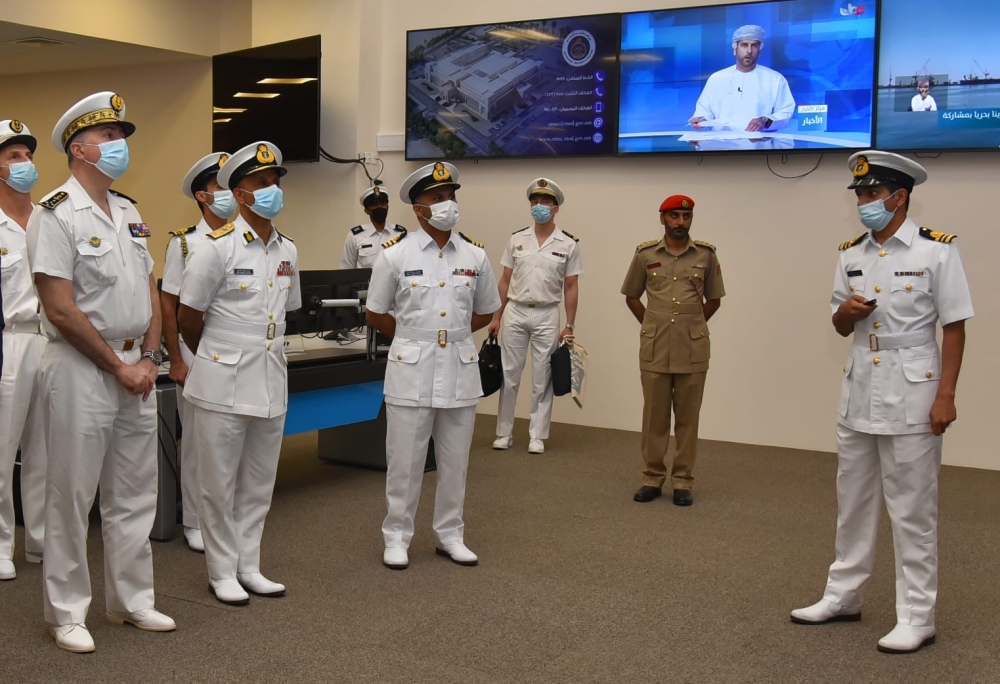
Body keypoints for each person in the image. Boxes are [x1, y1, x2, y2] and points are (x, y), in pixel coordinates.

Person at [791, 151, 973, 654]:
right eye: (860, 195)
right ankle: (843, 596)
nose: (864, 203)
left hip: (914, 390)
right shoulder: (851, 253)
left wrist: (946, 395)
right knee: (852, 502)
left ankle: (917, 616)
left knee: (913, 510)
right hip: (859, 390)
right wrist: (845, 314)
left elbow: (955, 326)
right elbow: (837, 322)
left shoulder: (937, 251)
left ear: (900, 197)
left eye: (872, 194)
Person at [26, 91, 175, 653]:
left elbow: (150, 290)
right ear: (79, 149)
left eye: (120, 136)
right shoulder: (55, 213)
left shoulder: (130, 211)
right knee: (71, 493)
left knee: (135, 491)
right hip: (81, 367)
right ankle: (66, 612)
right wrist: (119, 366)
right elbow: (60, 308)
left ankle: (131, 600)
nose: (120, 145)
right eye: (109, 137)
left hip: (137, 365)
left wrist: (150, 359)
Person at [178, 141, 300, 606]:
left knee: (259, 482)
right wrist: (215, 358)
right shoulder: (215, 248)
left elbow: (287, 311)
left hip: (269, 377)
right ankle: (221, 571)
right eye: (261, 183)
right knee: (217, 483)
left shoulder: (288, 249)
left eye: (275, 181)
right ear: (240, 193)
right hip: (222, 380)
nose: (272, 189)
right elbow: (189, 318)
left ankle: (250, 565)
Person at [366, 161, 500, 570]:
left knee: (456, 460)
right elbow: (376, 312)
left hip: (459, 365)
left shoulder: (475, 254)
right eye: (438, 197)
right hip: (411, 366)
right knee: (404, 462)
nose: (448, 204)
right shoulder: (394, 255)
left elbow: (486, 310)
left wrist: (451, 335)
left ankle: (450, 534)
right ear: (419, 208)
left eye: (451, 196)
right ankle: (396, 536)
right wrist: (413, 337)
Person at [620, 195, 725, 507]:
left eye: (686, 216)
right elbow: (632, 296)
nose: (681, 222)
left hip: (693, 348)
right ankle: (652, 478)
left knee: (688, 419)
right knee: (654, 417)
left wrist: (693, 325)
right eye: (674, 216)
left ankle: (682, 481)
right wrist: (651, 324)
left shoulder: (706, 255)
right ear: (662, 218)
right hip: (655, 347)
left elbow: (714, 299)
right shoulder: (645, 254)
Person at [160, 151, 233, 553]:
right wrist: (175, 358)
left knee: (231, 442)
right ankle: (193, 519)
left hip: (234, 353)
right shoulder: (185, 244)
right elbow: (168, 303)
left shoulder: (243, 238)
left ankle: (224, 516)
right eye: (219, 186)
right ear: (203, 197)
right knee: (196, 443)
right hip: (195, 353)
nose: (228, 193)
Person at [488, 178, 582, 454]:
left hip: (546, 314)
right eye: (535, 201)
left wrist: (569, 324)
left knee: (543, 378)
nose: (539, 206)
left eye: (545, 202)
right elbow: (505, 281)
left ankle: (537, 435)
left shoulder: (568, 244)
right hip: (516, 311)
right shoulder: (517, 239)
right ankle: (504, 432)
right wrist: (496, 317)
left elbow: (571, 286)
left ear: (556, 208)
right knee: (509, 375)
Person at [0, 119, 47, 581]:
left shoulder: (49, 218)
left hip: (52, 339)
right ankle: (0, 545)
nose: (25, 163)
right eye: (14, 157)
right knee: (1, 448)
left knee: (46, 450)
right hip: (9, 340)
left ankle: (40, 538)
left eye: (28, 155)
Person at [688, 24, 795, 133]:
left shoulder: (775, 79)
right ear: (735, 49)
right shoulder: (717, 78)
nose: (749, 51)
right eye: (744, 45)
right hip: (721, 141)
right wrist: (701, 119)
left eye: (754, 45)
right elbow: (704, 109)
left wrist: (765, 120)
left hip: (759, 142)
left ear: (759, 50)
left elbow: (785, 112)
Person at [340, 184, 407, 268]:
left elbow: (407, 263)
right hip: (367, 277)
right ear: (367, 211)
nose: (379, 207)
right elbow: (346, 269)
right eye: (374, 205)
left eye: (382, 203)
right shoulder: (355, 236)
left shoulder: (400, 233)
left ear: (387, 207)